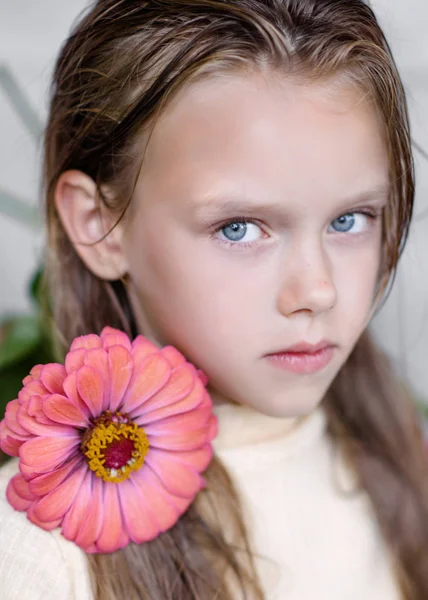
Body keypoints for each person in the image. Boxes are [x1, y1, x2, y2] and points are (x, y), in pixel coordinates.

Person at [1, 0, 428, 598]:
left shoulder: (398, 464)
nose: (318, 290)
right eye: (240, 228)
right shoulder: (37, 553)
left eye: (351, 219)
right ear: (99, 224)